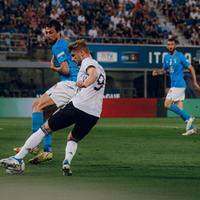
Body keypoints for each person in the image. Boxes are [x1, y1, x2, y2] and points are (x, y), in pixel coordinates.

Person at [0, 39, 106, 175]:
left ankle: (18, 159)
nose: (73, 59)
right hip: (93, 115)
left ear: (82, 52)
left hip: (78, 107)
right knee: (72, 138)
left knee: (45, 129)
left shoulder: (87, 62)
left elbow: (93, 74)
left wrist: (85, 83)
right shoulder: (101, 68)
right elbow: (96, 75)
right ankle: (66, 162)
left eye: (74, 55)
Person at [14, 19, 79, 164]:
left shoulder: (58, 46)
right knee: (46, 116)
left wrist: (54, 68)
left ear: (58, 32)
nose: (48, 35)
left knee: (37, 106)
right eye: (46, 32)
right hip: (76, 87)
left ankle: (33, 146)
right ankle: (47, 151)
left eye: (51, 32)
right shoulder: (66, 43)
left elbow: (66, 70)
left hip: (69, 84)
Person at [152, 38, 200, 136]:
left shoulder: (180, 56)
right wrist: (157, 72)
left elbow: (191, 67)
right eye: (169, 44)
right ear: (167, 46)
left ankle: (189, 117)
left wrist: (195, 82)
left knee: (167, 104)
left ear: (175, 46)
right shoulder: (166, 57)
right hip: (175, 85)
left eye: (172, 44)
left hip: (179, 85)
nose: (170, 46)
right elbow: (164, 70)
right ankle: (192, 129)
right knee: (180, 109)